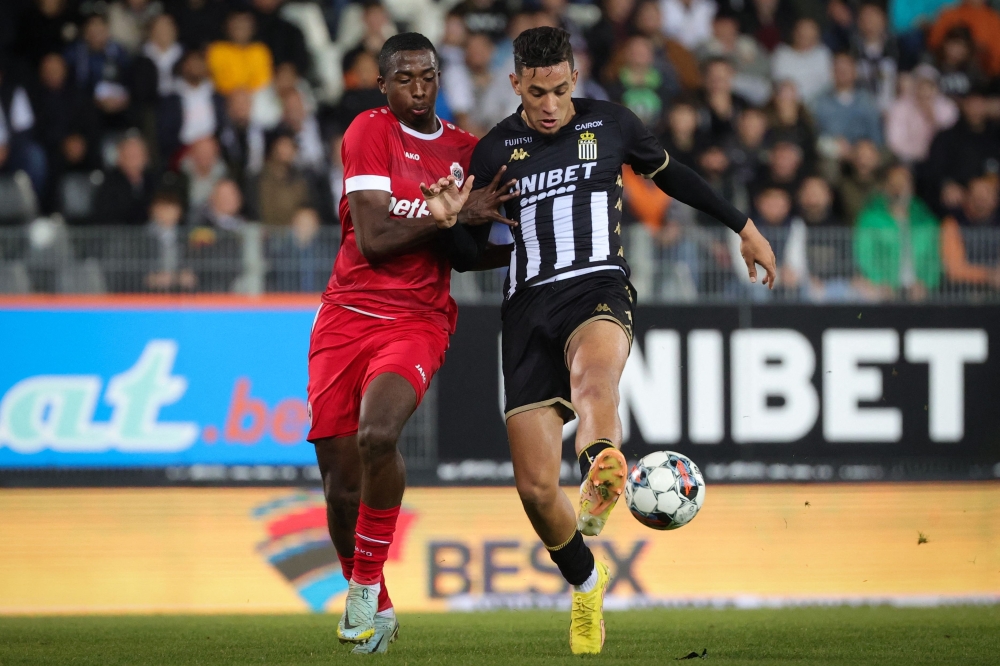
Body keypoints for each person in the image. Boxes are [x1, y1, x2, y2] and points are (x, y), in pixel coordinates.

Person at [419, 26, 775, 655]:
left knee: (595, 377)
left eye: (559, 89)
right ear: (514, 85)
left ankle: (599, 466)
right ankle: (586, 582)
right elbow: (470, 257)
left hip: (598, 287)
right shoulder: (493, 151)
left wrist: (741, 225)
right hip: (526, 305)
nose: (550, 103)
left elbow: (674, 177)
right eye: (536, 92)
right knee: (532, 489)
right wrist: (452, 222)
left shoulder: (613, 125)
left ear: (574, 79)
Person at [307, 33, 515, 654]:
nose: (418, 88)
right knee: (341, 488)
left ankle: (363, 587)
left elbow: (468, 252)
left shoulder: (464, 150)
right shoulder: (369, 131)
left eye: (428, 76)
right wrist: (447, 215)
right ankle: (382, 604)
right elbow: (373, 237)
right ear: (383, 86)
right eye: (405, 78)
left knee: (379, 435)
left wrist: (490, 233)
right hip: (345, 316)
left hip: (417, 318)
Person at [854, 162, 940, 301]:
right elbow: (865, 255)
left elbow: (934, 259)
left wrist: (925, 283)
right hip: (882, 290)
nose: (897, 190)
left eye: (902, 185)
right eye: (893, 185)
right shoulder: (869, 219)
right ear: (885, 187)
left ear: (912, 188)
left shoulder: (926, 220)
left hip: (919, 291)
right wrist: (879, 281)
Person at [940, 175, 1000, 290]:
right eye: (976, 195)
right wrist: (988, 275)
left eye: (986, 194)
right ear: (967, 197)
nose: (981, 200)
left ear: (995, 200)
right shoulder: (952, 223)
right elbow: (954, 269)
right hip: (962, 294)